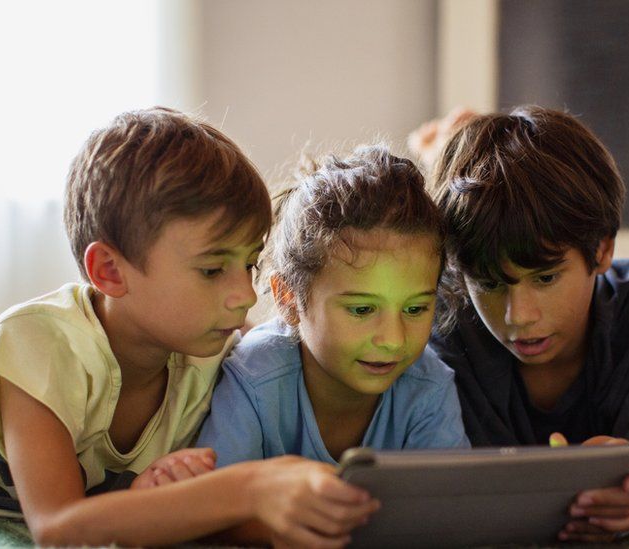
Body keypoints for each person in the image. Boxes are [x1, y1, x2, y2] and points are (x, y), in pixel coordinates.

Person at [0, 107, 378, 548]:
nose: (246, 296)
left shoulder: (218, 347)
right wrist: (250, 489)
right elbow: (58, 527)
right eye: (211, 270)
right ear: (109, 273)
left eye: (248, 265)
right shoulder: (40, 343)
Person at [422, 105, 629, 538]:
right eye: (490, 283)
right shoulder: (442, 329)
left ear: (602, 250)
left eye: (546, 277)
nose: (518, 316)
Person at [196, 145, 470, 468]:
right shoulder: (254, 378)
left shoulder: (428, 388)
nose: (393, 339)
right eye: (362, 310)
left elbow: (445, 509)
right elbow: (216, 507)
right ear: (289, 300)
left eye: (414, 310)